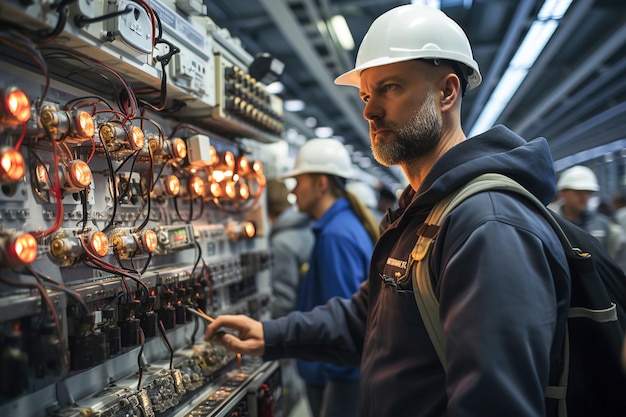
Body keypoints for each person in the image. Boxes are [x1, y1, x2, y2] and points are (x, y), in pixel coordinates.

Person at [206, 5, 571, 416]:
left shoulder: (487, 224)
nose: (369, 111)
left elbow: (496, 405)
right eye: (366, 94)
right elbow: (370, 320)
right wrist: (271, 334)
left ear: (447, 92)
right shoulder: (420, 214)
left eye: (391, 88)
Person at [277, 138, 379, 417]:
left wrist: (337, 391)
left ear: (321, 184)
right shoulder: (344, 226)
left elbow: (346, 323)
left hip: (337, 379)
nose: (294, 190)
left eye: (298, 181)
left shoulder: (336, 236)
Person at [265, 179, 315, 416]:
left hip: (295, 327)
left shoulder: (281, 242)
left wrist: (268, 327)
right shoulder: (307, 227)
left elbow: (283, 301)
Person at [550, 165, 626, 263]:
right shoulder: (551, 223)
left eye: (588, 193)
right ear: (562, 193)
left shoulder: (605, 227)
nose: (584, 198)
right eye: (578, 193)